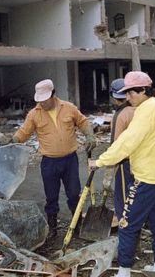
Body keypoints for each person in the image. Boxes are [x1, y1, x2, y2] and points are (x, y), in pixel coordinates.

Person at [88, 71, 155, 277]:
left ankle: (124, 273)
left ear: (143, 90)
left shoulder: (145, 110)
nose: (127, 97)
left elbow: (127, 142)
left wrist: (100, 161)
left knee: (126, 223)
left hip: (147, 178)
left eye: (131, 93)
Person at [12, 79, 95, 238]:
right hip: (49, 162)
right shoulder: (34, 114)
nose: (42, 103)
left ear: (53, 94)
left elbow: (83, 122)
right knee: (51, 196)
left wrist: (90, 136)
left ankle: (76, 225)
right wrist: (13, 140)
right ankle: (53, 228)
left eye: (45, 99)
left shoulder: (69, 108)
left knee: (73, 193)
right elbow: (24, 133)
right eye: (39, 100)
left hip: (70, 160)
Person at [102, 79, 135, 227]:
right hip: (139, 160)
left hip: (124, 161)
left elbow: (116, 145)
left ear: (113, 95)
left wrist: (108, 164)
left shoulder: (121, 115)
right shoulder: (139, 109)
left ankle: (126, 230)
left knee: (123, 199)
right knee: (134, 195)